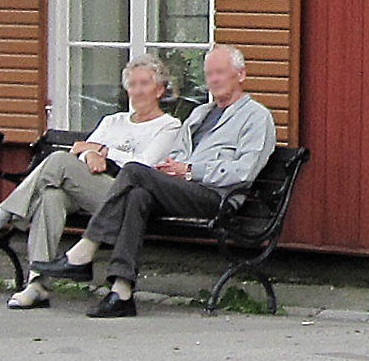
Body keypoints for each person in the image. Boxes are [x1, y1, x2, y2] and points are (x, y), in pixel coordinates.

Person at [34, 41, 278, 319]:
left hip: (216, 197)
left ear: (241, 75)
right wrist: (171, 168)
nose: (214, 80)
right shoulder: (201, 113)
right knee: (139, 195)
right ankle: (121, 291)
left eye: (220, 73)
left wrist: (190, 170)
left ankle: (84, 251)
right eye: (209, 74)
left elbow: (244, 171)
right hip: (183, 189)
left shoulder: (256, 117)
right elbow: (177, 153)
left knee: (135, 171)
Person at [0, 55, 185, 309]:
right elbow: (81, 152)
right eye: (133, 84)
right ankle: (37, 284)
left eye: (144, 84)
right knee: (51, 195)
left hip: (125, 196)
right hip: (90, 186)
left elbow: (142, 167)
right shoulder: (112, 121)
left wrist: (103, 151)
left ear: (159, 90)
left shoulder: (169, 126)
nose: (137, 91)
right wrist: (90, 153)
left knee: (58, 161)